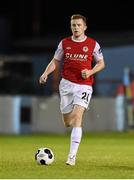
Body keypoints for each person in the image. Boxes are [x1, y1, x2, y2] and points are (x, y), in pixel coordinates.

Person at [39, 14, 105, 166]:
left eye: (78, 25)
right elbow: (55, 61)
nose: (76, 27)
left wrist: (90, 72)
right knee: (67, 122)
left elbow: (101, 63)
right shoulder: (64, 43)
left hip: (84, 85)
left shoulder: (93, 44)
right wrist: (45, 73)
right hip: (66, 85)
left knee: (77, 116)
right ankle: (76, 111)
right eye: (73, 25)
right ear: (71, 27)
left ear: (85, 27)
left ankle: (71, 157)